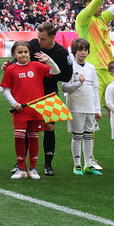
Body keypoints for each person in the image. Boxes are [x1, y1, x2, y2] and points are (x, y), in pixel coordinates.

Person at [0, 40, 61, 179]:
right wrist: (14, 103)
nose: (23, 54)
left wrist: (49, 60)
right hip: (20, 111)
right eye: (20, 52)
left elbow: (56, 71)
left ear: (30, 53)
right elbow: (6, 89)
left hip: (36, 111)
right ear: (14, 54)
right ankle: (21, 169)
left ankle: (33, 168)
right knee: (19, 138)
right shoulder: (11, 69)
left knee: (34, 138)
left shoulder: (37, 66)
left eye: (26, 52)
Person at [22, 23, 73, 175]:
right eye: (38, 37)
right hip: (30, 92)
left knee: (49, 127)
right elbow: (21, 60)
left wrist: (51, 67)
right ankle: (21, 164)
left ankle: (48, 165)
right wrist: (9, 65)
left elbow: (67, 76)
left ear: (53, 37)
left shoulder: (62, 53)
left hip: (49, 93)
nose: (39, 41)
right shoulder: (33, 45)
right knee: (27, 127)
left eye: (43, 39)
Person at [60, 38, 102, 176]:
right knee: (77, 135)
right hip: (76, 106)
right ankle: (77, 165)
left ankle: (88, 165)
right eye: (80, 50)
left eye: (85, 50)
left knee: (89, 136)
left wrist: (97, 109)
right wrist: (78, 83)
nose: (83, 52)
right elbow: (65, 88)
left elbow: (95, 89)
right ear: (74, 51)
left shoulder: (91, 67)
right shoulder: (70, 67)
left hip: (90, 106)